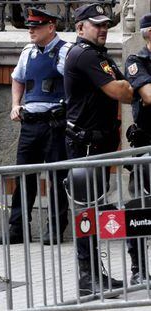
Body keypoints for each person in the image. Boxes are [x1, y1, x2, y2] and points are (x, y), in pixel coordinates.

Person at [64, 3, 133, 296]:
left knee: (93, 210)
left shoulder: (99, 56)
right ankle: (87, 277)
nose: (103, 29)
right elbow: (121, 91)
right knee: (85, 213)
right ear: (80, 27)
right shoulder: (84, 55)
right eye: (97, 25)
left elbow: (123, 87)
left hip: (97, 145)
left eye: (106, 25)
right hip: (86, 146)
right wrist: (131, 87)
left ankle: (94, 273)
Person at [0, 8, 72, 246]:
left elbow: (76, 83)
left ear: (51, 28)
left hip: (54, 124)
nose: (31, 30)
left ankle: (55, 228)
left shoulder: (65, 52)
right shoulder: (28, 52)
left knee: (57, 178)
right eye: (30, 26)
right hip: (30, 124)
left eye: (36, 27)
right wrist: (15, 104)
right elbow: (17, 79)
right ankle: (17, 228)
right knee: (24, 176)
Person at [124, 12, 151, 285]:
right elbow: (148, 95)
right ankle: (138, 269)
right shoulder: (137, 61)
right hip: (146, 146)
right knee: (140, 209)